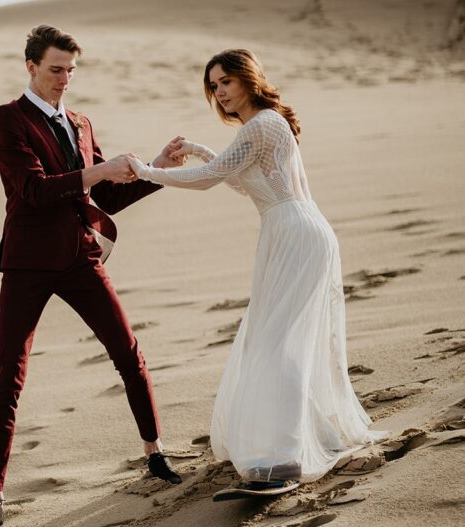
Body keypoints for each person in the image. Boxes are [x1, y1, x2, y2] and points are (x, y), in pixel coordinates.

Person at [130, 48, 380, 495]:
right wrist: (198, 150)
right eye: (213, 86)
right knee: (276, 340)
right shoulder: (259, 127)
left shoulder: (263, 123)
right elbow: (238, 178)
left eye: (225, 81)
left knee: (278, 343)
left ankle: (282, 458)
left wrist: (145, 172)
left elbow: (209, 178)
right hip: (289, 233)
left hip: (295, 234)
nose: (220, 92)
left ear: (249, 78)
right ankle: (284, 447)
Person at [0, 25, 185, 527]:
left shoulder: (81, 122)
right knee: (10, 375)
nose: (64, 79)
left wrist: (156, 170)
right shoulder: (9, 119)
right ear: (30, 67)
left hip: (81, 259)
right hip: (27, 263)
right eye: (54, 69)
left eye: (70, 70)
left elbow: (105, 198)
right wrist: (103, 170)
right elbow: (33, 191)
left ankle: (154, 455)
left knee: (128, 352)